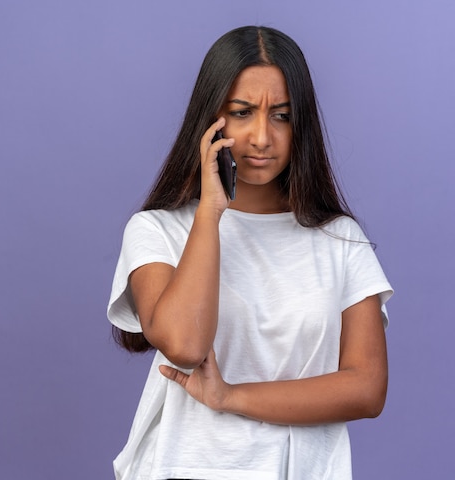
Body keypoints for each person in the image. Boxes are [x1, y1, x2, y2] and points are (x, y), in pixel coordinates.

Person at [107, 25, 393, 480]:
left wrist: (231, 397)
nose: (262, 136)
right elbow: (184, 344)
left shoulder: (340, 239)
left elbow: (367, 388)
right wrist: (211, 213)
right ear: (211, 118)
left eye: (281, 115)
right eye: (242, 113)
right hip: (184, 468)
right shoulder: (158, 230)